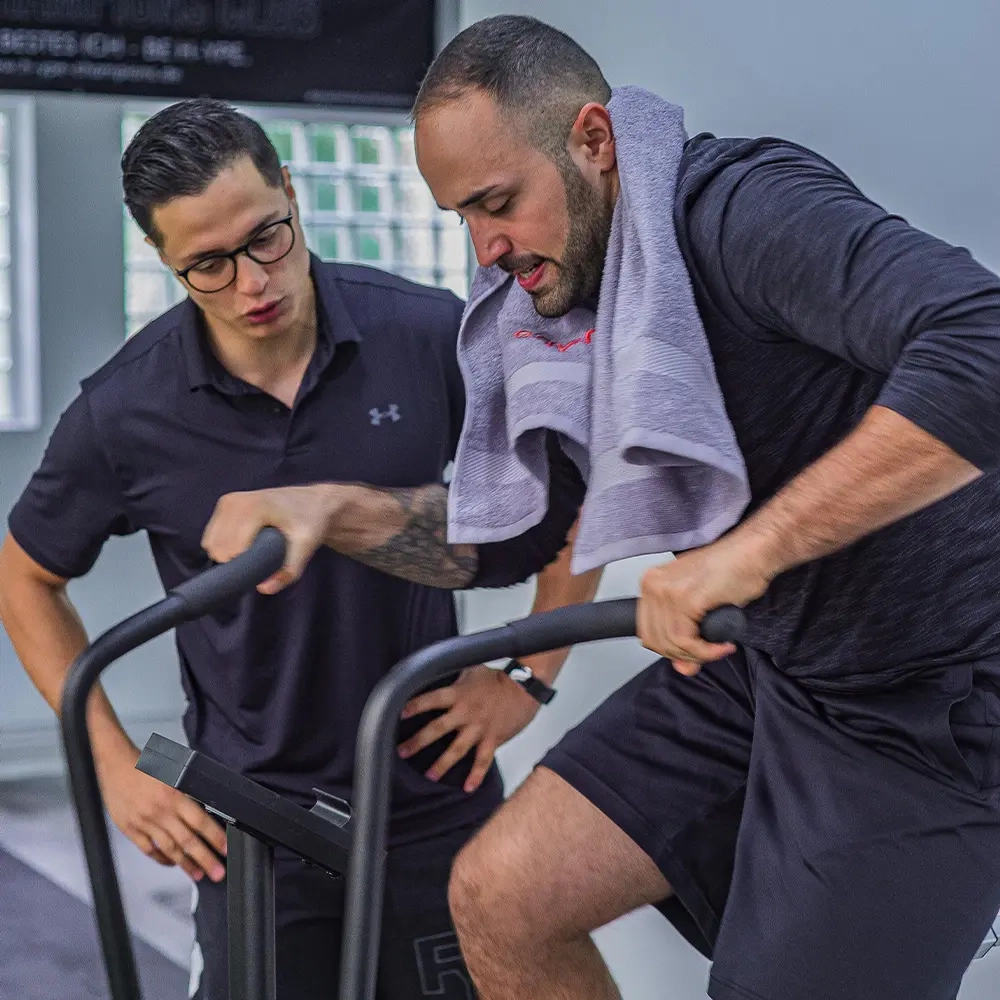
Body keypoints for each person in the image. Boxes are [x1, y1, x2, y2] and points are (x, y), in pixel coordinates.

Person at [198, 15, 1000, 1000]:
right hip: (772, 661)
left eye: (499, 203)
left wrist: (748, 552)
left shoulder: (740, 210)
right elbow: (520, 539)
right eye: (462, 216)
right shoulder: (577, 297)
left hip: (935, 693)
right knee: (502, 897)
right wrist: (334, 510)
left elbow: (983, 344)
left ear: (593, 139)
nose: (487, 249)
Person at [0, 98, 601, 1000]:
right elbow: (23, 578)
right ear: (163, 259)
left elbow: (575, 501)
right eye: (209, 264)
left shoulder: (427, 334)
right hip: (253, 824)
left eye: (266, 237)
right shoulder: (124, 411)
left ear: (289, 189)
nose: (253, 283)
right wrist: (115, 768)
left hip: (434, 791)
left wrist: (529, 675)